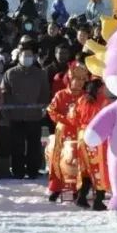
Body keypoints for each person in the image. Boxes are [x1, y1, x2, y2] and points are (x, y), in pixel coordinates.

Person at [2, 40, 50, 179]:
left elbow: (44, 93)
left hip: (34, 116)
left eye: (30, 55)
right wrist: (7, 112)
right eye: (24, 55)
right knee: (17, 145)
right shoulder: (10, 73)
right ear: (19, 56)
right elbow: (4, 94)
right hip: (16, 116)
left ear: (34, 57)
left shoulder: (40, 74)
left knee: (34, 145)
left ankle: (33, 170)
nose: (27, 58)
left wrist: (42, 108)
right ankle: (18, 171)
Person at [46, 62, 88, 200]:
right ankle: (56, 188)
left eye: (83, 79)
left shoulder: (86, 97)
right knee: (57, 159)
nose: (80, 82)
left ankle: (79, 188)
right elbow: (51, 110)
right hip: (63, 132)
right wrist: (64, 119)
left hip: (80, 132)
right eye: (77, 79)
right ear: (70, 79)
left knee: (80, 160)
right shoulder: (60, 95)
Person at [72, 78, 109, 210]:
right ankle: (98, 200)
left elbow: (74, 118)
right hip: (97, 136)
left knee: (86, 169)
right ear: (99, 88)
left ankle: (82, 197)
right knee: (101, 169)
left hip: (82, 135)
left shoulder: (81, 99)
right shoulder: (104, 101)